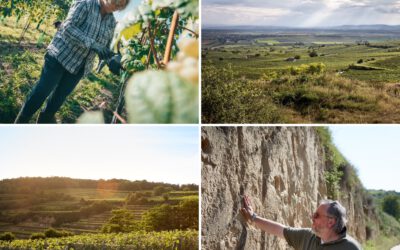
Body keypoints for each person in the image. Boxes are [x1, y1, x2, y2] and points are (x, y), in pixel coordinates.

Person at [15, 0, 129, 123]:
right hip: (60, 56)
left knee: (58, 99)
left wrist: (110, 58)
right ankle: (21, 122)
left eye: (121, 6)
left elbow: (104, 47)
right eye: (117, 3)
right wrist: (92, 44)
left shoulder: (111, 22)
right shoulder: (85, 4)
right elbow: (67, 27)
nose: (117, 8)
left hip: (79, 67)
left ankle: (43, 124)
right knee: (41, 92)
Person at [240, 196, 362, 250]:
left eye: (317, 215)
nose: (312, 217)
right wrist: (254, 217)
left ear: (331, 222)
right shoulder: (308, 237)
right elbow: (280, 230)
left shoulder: (351, 248)